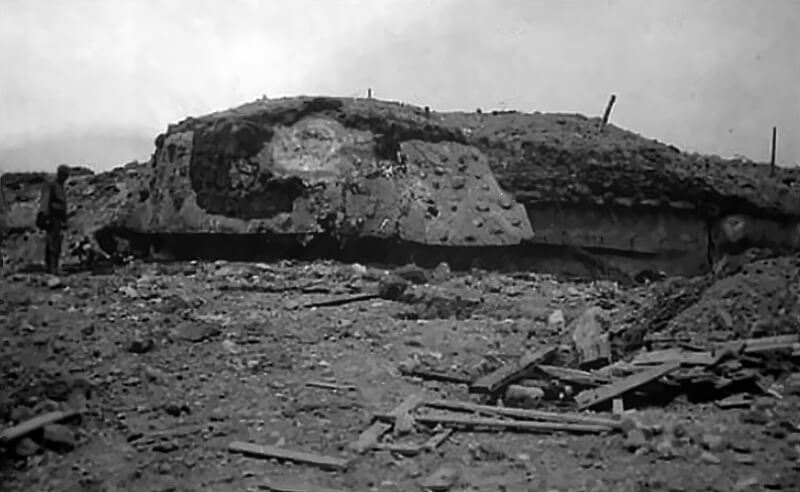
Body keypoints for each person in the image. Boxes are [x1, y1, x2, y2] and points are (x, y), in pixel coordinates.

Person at [39, 165, 70, 274]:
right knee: (54, 243)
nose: (65, 177)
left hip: (58, 217)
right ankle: (53, 268)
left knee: (52, 242)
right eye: (64, 175)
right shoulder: (52, 185)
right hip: (52, 217)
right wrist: (45, 216)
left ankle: (49, 267)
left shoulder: (60, 186)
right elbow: (46, 201)